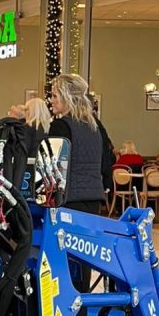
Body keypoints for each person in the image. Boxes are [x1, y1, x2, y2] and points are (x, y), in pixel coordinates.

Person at [47, 73, 104, 213]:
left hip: (69, 198)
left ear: (67, 97)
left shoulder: (60, 126)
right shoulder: (94, 126)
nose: (51, 100)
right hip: (94, 196)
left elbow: (52, 166)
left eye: (55, 96)